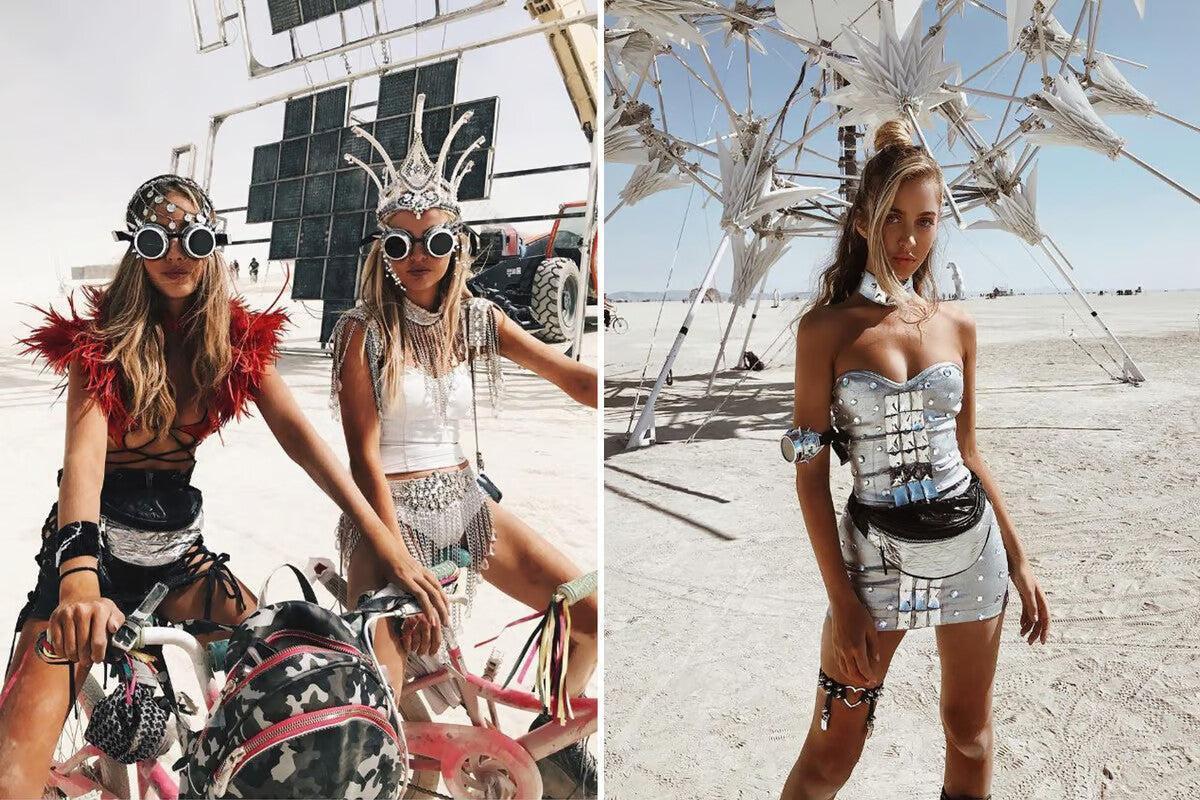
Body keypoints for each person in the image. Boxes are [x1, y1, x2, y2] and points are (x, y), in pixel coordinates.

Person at [0, 174, 448, 798]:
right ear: (137, 251)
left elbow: (308, 448)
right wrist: (77, 579)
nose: (178, 256)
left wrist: (389, 547)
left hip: (180, 563)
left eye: (196, 239)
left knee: (299, 678)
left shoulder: (234, 343)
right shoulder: (99, 344)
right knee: (9, 776)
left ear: (215, 247)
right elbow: (83, 462)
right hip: (86, 555)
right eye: (158, 242)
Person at [329, 95, 599, 792]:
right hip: (385, 514)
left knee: (587, 608)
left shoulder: (478, 319)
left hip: (467, 503)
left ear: (458, 244)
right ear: (382, 251)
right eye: (400, 242)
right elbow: (363, 460)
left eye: (435, 240)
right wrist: (401, 572)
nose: (418, 256)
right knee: (378, 690)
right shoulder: (362, 332)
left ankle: (554, 744)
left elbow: (570, 376)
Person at [778, 121, 1050, 800]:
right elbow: (810, 480)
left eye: (926, 222)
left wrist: (1018, 559)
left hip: (972, 551)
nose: (908, 240)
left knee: (968, 734)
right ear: (863, 218)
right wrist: (842, 601)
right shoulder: (824, 331)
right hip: (873, 562)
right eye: (893, 218)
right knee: (830, 757)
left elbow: (968, 452)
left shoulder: (957, 326)